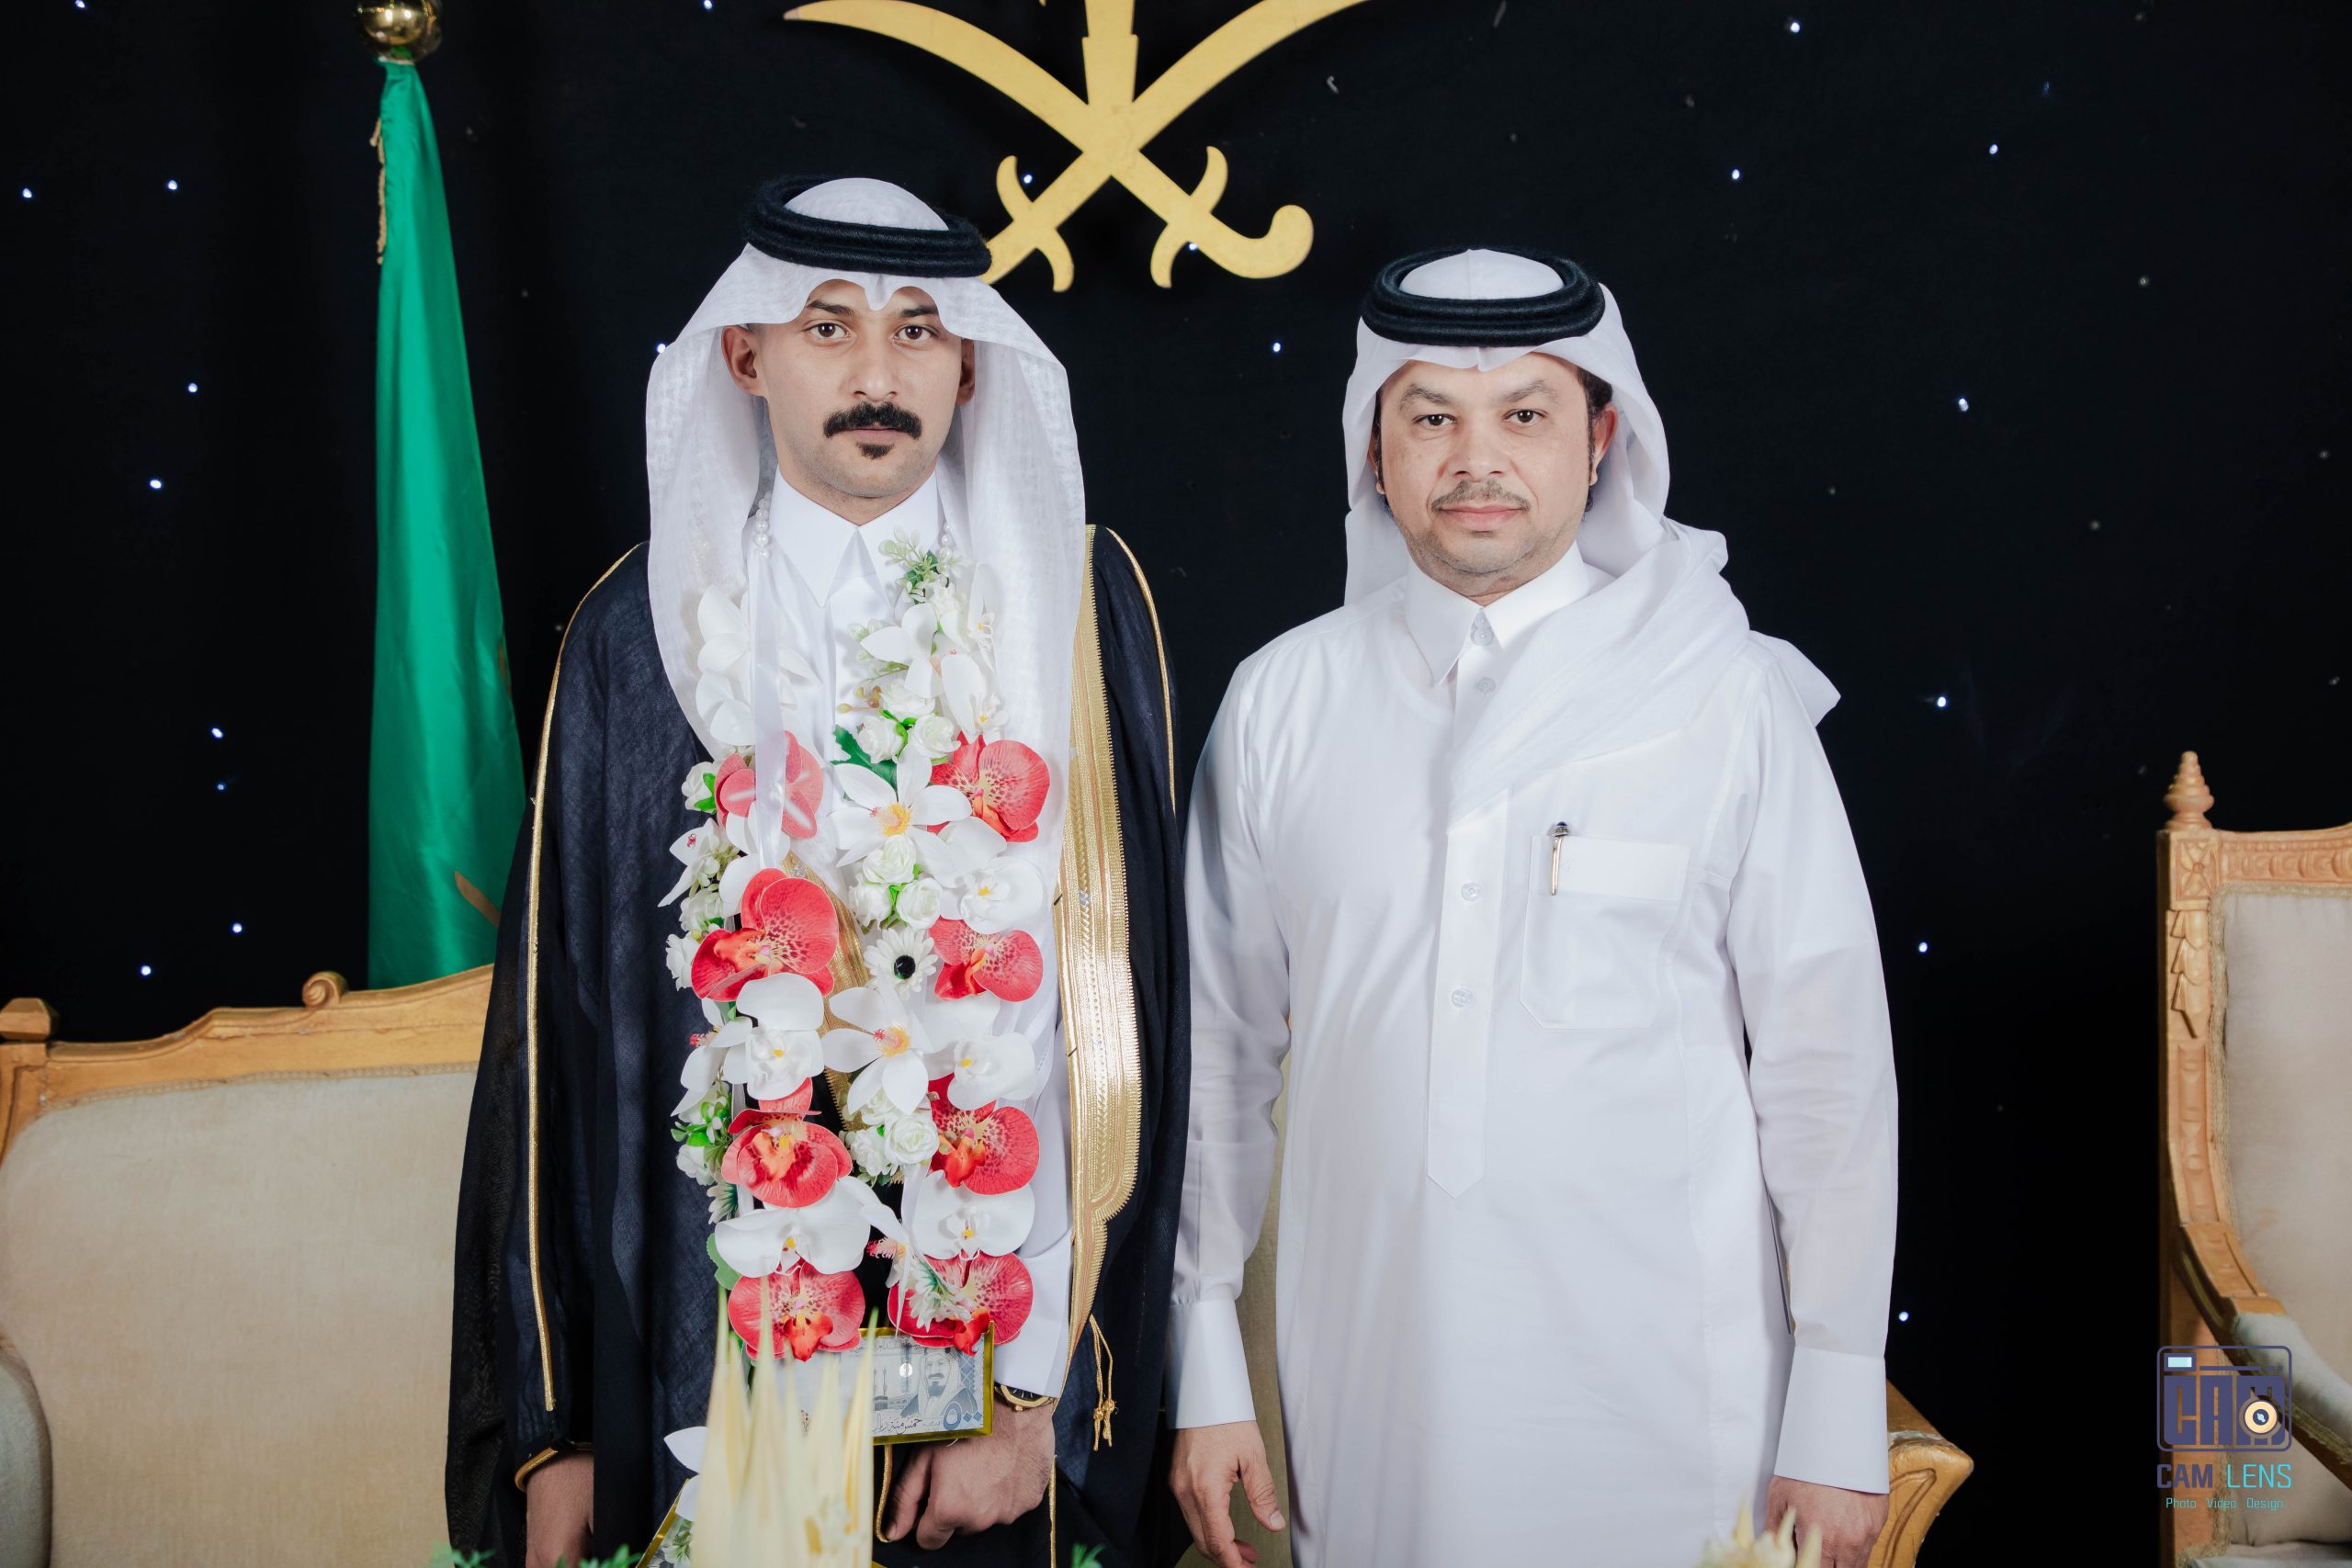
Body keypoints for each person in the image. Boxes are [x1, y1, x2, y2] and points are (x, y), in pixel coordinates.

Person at [445, 175, 1192, 1568]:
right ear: (745, 354)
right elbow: (559, 1041)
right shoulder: (640, 632)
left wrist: (1034, 1400)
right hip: (705, 1377)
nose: (877, 377)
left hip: (991, 1393)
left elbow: (1120, 1029)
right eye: (829, 327)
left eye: (919, 331)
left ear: (971, 365)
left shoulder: (1073, 610)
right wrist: (563, 1429)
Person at [1165, 246, 1899, 1568]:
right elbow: (1216, 1062)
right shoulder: (1282, 702)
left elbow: (1827, 1063)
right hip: (1369, 1394)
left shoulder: (1722, 693)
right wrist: (1206, 1364)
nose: (1476, 461)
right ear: (1374, 447)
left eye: (1524, 415)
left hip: (1679, 1398)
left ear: (1601, 439)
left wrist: (1839, 1403)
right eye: (1431, 417)